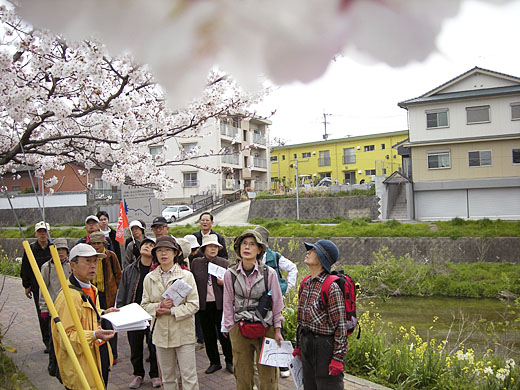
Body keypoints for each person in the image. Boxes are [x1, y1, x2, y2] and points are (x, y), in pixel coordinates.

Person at [222, 230, 284, 390]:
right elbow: (228, 303)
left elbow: (277, 303)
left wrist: (277, 330)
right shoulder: (231, 273)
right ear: (238, 248)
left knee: (268, 376)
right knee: (242, 375)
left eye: (252, 244)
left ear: (259, 250)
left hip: (266, 327)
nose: (247, 247)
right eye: (244, 244)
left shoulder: (268, 273)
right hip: (240, 326)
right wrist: (230, 328)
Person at [52, 243, 117, 390]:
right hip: (82, 366)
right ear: (73, 266)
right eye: (87, 261)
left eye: (95, 261)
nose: (93, 265)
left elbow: (89, 316)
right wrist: (94, 335)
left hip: (98, 356)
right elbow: (66, 337)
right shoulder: (67, 298)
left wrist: (103, 313)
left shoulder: (91, 288)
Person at [141, 236, 200, 390]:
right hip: (160, 334)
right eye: (159, 250)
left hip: (183, 333)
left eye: (167, 250)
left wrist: (172, 310)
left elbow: (194, 305)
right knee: (167, 378)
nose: (163, 254)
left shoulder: (186, 276)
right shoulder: (149, 278)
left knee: (189, 376)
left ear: (176, 253)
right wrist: (157, 307)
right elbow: (144, 305)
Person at [293, 240, 348, 390]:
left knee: (328, 386)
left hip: (325, 346)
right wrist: (299, 346)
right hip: (307, 343)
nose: (308, 252)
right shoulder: (305, 283)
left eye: (313, 251)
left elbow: (341, 327)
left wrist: (337, 359)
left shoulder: (332, 288)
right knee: (309, 386)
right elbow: (301, 321)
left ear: (323, 259)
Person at [116, 237, 161, 389]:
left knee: (153, 346)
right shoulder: (129, 269)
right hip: (133, 313)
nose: (147, 246)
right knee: (135, 347)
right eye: (145, 244)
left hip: (152, 314)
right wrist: (121, 310)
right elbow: (122, 292)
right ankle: (138, 374)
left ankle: (154, 375)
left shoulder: (157, 270)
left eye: (151, 245)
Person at [253, 226, 298, 379]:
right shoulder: (249, 257)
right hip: (257, 302)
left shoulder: (275, 257)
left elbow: (293, 268)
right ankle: (265, 361)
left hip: (274, 301)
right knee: (260, 329)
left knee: (278, 329)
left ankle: (283, 364)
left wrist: (285, 288)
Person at [191, 234, 233, 375]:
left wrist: (224, 283)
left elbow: (232, 284)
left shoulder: (224, 263)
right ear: (204, 248)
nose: (213, 249)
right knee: (208, 336)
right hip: (203, 305)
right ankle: (214, 362)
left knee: (224, 335)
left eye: (215, 246)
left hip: (220, 304)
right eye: (210, 246)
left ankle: (230, 361)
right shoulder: (196, 263)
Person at [39, 238, 72, 377]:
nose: (61, 253)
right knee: (54, 340)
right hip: (54, 308)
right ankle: (53, 364)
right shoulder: (47, 267)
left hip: (70, 307)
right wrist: (44, 308)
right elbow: (43, 288)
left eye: (63, 250)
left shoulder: (71, 265)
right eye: (58, 250)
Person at [88, 231, 122, 364]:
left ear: (104, 243)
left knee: (110, 325)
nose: (96, 246)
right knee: (96, 325)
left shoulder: (110, 256)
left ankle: (113, 354)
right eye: (94, 243)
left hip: (109, 295)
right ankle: (99, 353)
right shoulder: (89, 258)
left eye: (99, 243)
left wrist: (119, 295)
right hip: (94, 294)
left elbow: (118, 275)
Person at [20, 221, 52, 353]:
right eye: (40, 232)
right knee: (43, 315)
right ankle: (47, 343)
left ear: (49, 233)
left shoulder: (54, 247)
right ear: (35, 233)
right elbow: (25, 268)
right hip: (37, 286)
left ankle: (57, 339)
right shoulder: (31, 249)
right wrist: (26, 285)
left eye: (45, 231)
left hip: (53, 286)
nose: (42, 234)